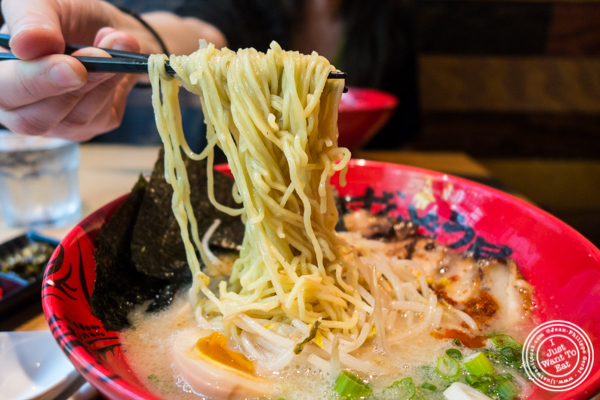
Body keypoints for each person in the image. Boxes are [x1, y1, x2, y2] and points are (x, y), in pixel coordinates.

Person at [0, 0, 418, 148]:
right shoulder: (245, 7)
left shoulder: (391, 22)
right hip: (231, 200)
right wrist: (127, 31)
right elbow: (197, 34)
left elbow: (402, 134)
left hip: (361, 196)